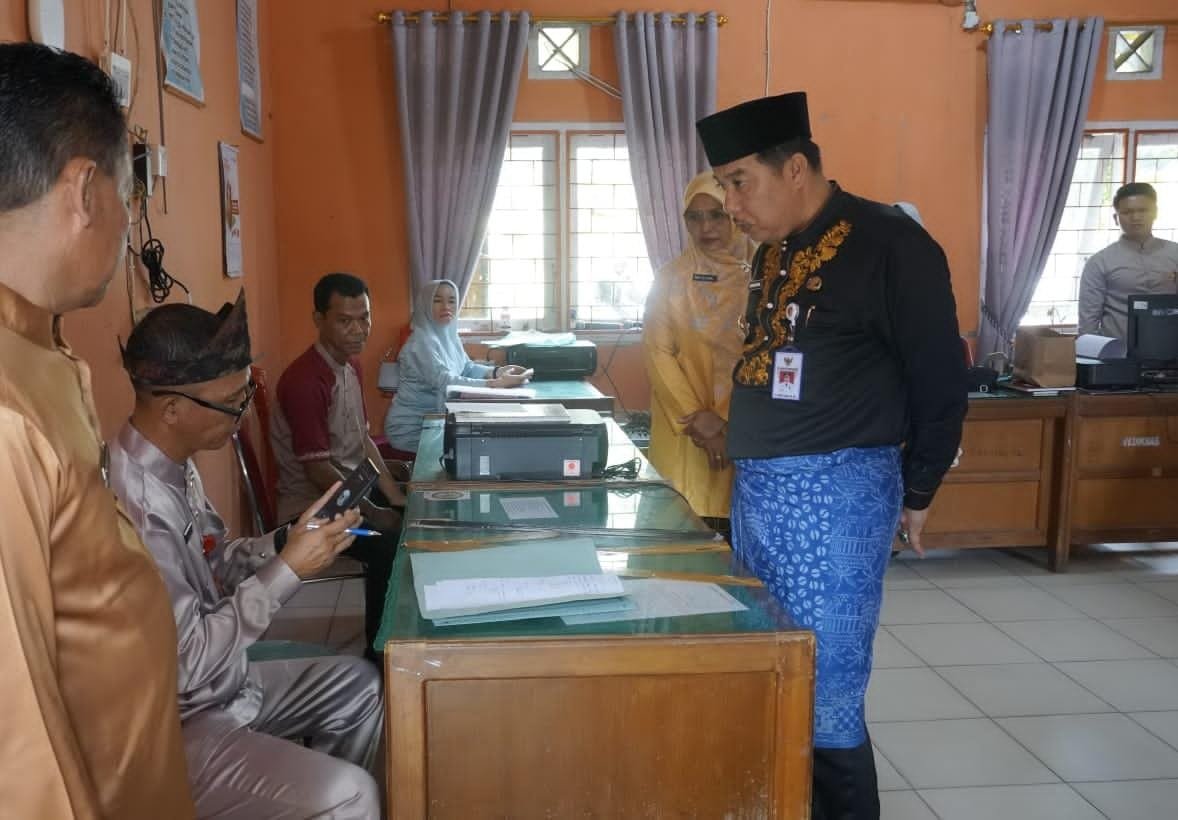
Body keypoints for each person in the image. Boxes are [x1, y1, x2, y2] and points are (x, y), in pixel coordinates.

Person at [696, 91, 967, 820]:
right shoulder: (774, 250)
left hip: (836, 500)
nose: (730, 205)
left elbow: (941, 378)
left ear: (795, 168)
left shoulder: (891, 244)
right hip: (762, 499)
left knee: (828, 691)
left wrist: (920, 490)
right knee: (777, 672)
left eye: (739, 182)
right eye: (722, 185)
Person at [0, 42, 194, 817]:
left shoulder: (37, 348)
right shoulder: (6, 411)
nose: (125, 221)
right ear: (86, 189)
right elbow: (19, 737)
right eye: (126, 191)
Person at [110, 294, 383, 819]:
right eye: (231, 402)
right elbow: (188, 662)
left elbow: (214, 560)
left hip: (224, 686)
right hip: (176, 722)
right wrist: (288, 571)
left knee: (360, 688)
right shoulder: (135, 509)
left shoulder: (174, 465)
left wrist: (284, 542)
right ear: (172, 409)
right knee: (352, 794)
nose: (241, 416)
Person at [272, 272, 405, 660]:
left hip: (351, 490)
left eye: (364, 318)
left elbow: (363, 441)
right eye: (345, 320)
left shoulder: (350, 367)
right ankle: (378, 653)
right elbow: (318, 472)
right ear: (319, 319)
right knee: (386, 543)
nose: (358, 330)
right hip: (314, 511)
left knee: (412, 504)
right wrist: (376, 512)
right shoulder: (304, 381)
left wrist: (394, 496)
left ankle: (406, 626)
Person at [643, 172, 755, 532]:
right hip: (687, 431)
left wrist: (728, 424)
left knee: (744, 536)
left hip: (746, 429)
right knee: (683, 534)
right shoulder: (670, 279)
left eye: (717, 215)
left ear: (734, 214)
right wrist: (701, 420)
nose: (705, 227)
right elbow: (659, 353)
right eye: (694, 217)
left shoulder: (763, 276)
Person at [384, 278, 530, 455]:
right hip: (412, 428)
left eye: (452, 301)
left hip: (438, 422)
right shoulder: (419, 344)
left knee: (483, 442)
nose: (446, 306)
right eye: (437, 300)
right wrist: (496, 384)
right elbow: (446, 382)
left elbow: (466, 368)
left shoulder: (448, 335)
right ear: (425, 305)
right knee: (475, 449)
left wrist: (497, 372)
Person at [1078, 182, 1178, 340]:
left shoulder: (1175, 253)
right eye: (1127, 212)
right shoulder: (1100, 262)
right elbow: (1088, 322)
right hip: (1119, 351)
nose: (1136, 217)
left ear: (1155, 213)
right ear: (1116, 218)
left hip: (1170, 349)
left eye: (1143, 210)